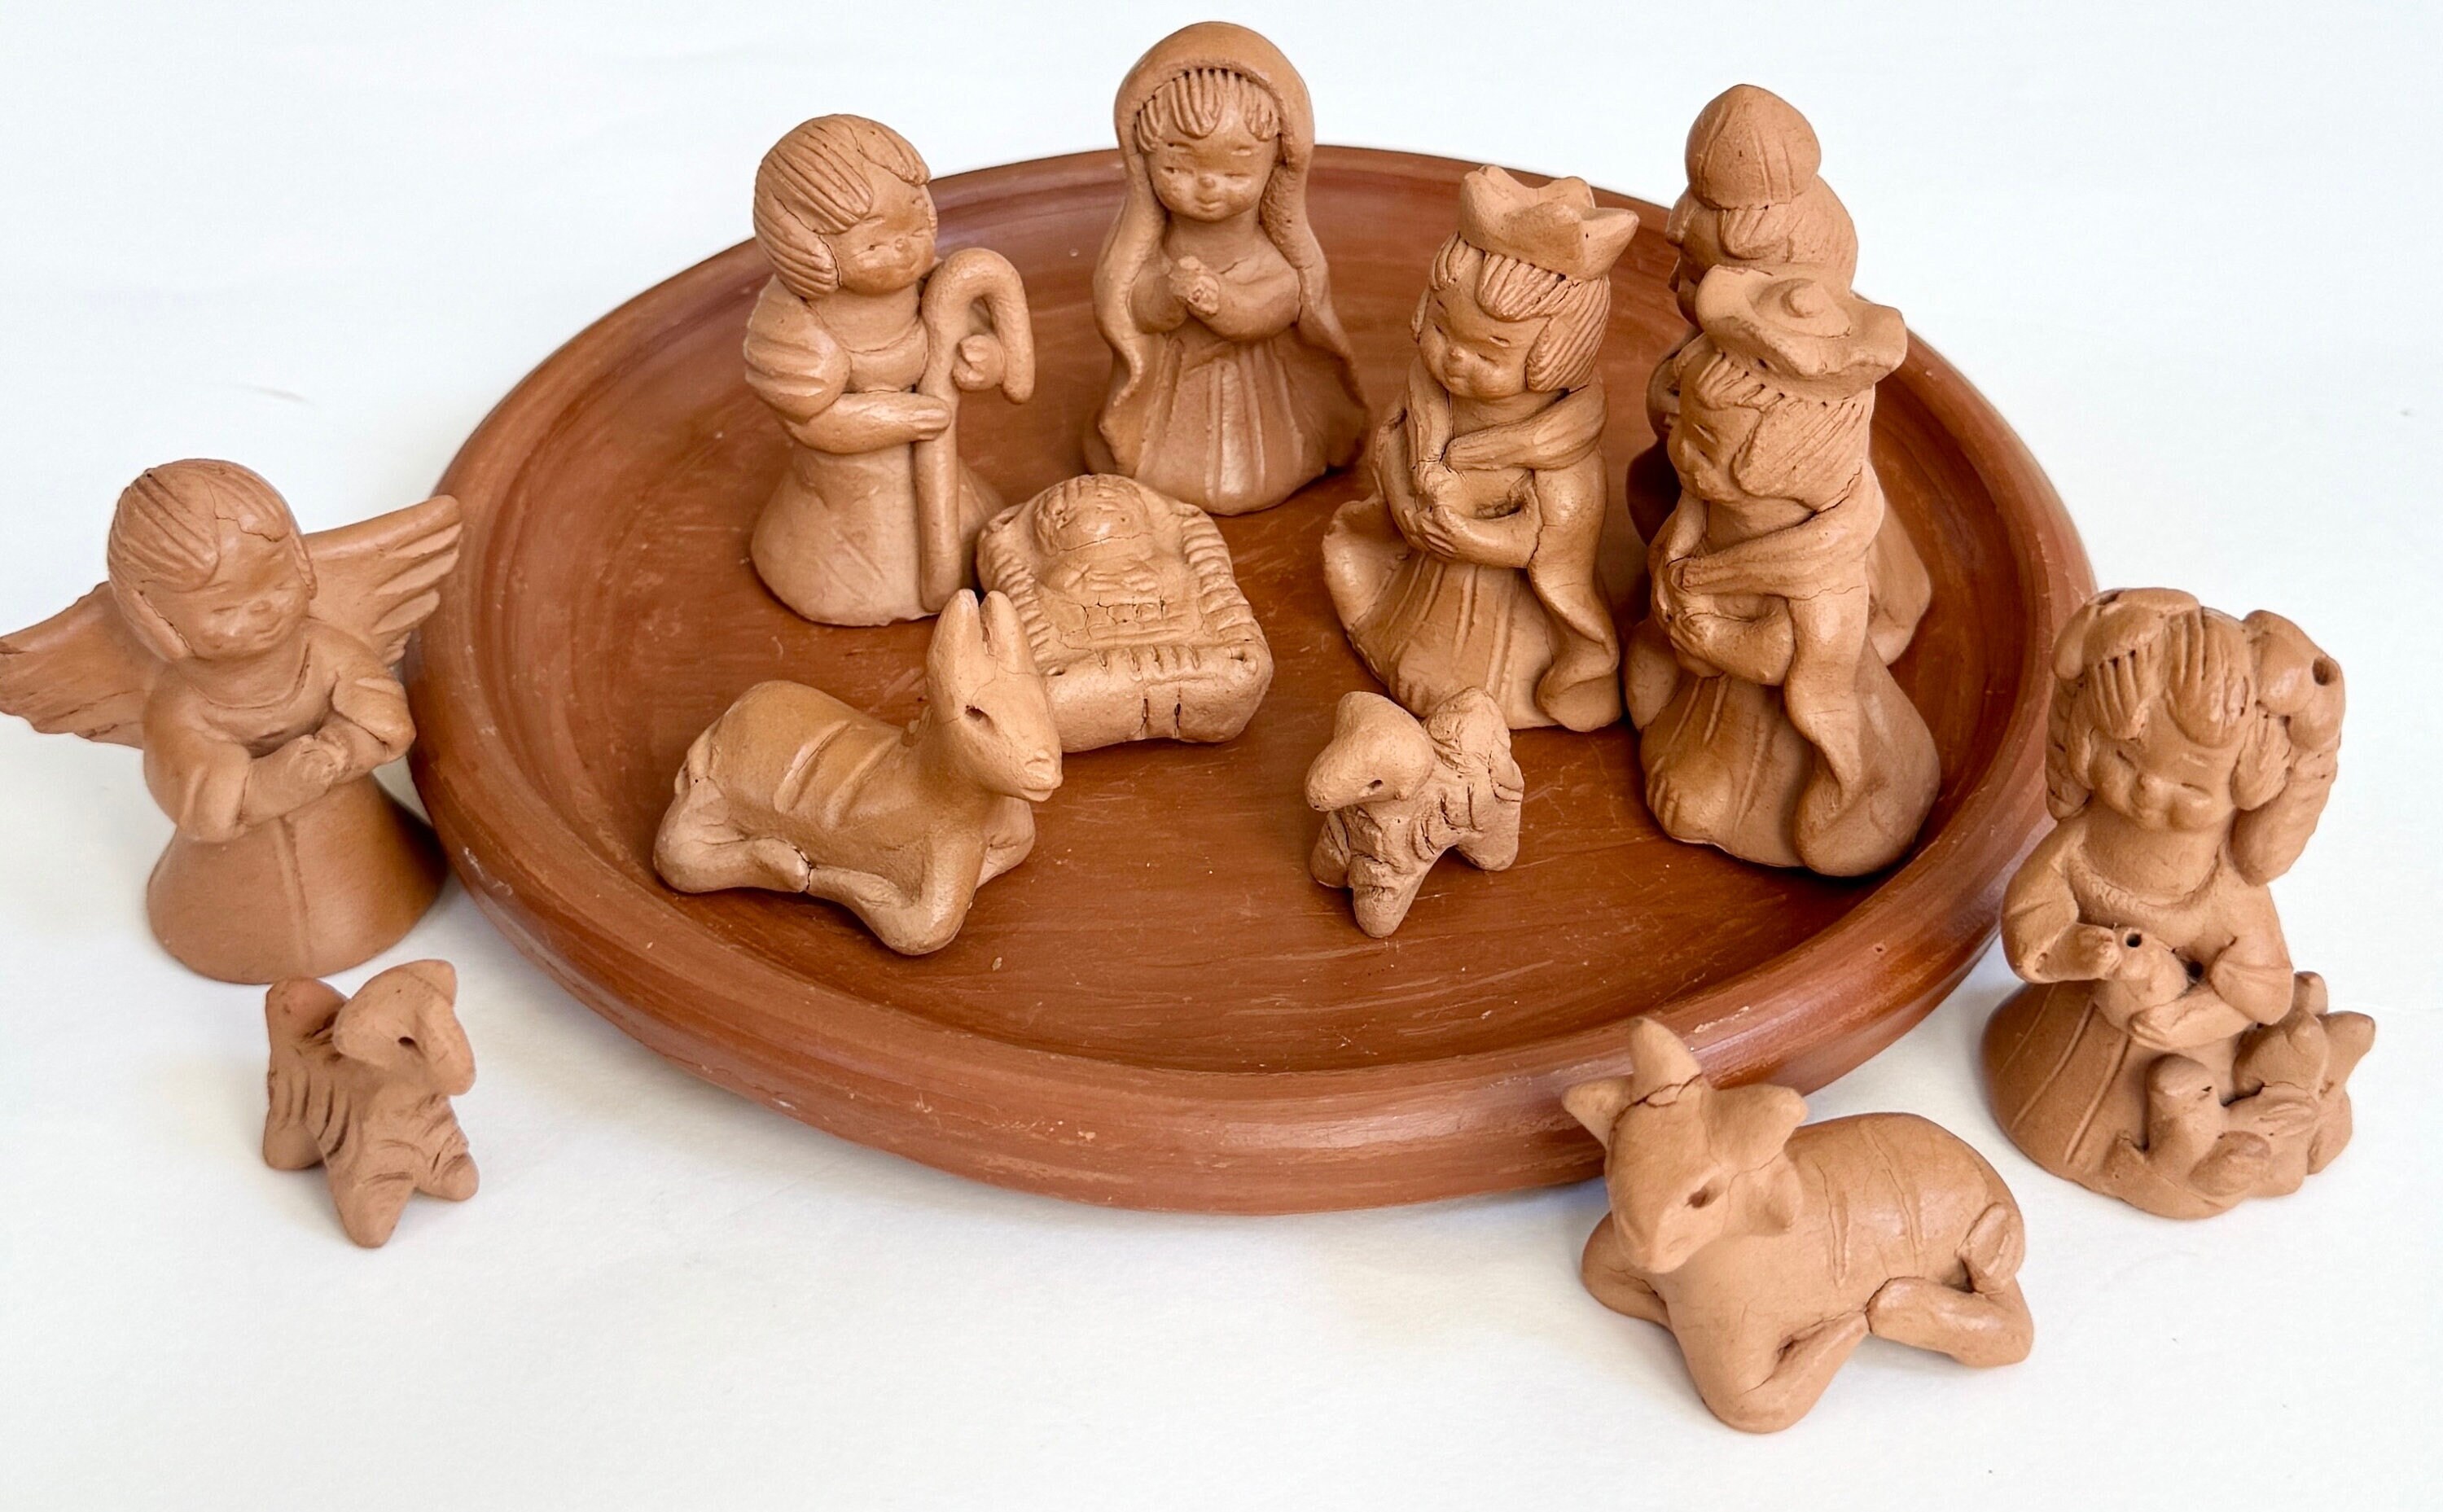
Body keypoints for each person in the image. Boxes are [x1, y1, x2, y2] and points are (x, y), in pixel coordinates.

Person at [1087, 22, 1366, 516]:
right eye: (1176, 169)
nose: (1208, 186)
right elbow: (1135, 308)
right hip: (1173, 394)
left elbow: (1282, 301)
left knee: (1258, 452)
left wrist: (1225, 303)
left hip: (1253, 397)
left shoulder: (1268, 252)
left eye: (1236, 173)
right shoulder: (1153, 251)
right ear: (1144, 164)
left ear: (1276, 165)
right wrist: (1169, 295)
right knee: (1160, 451)